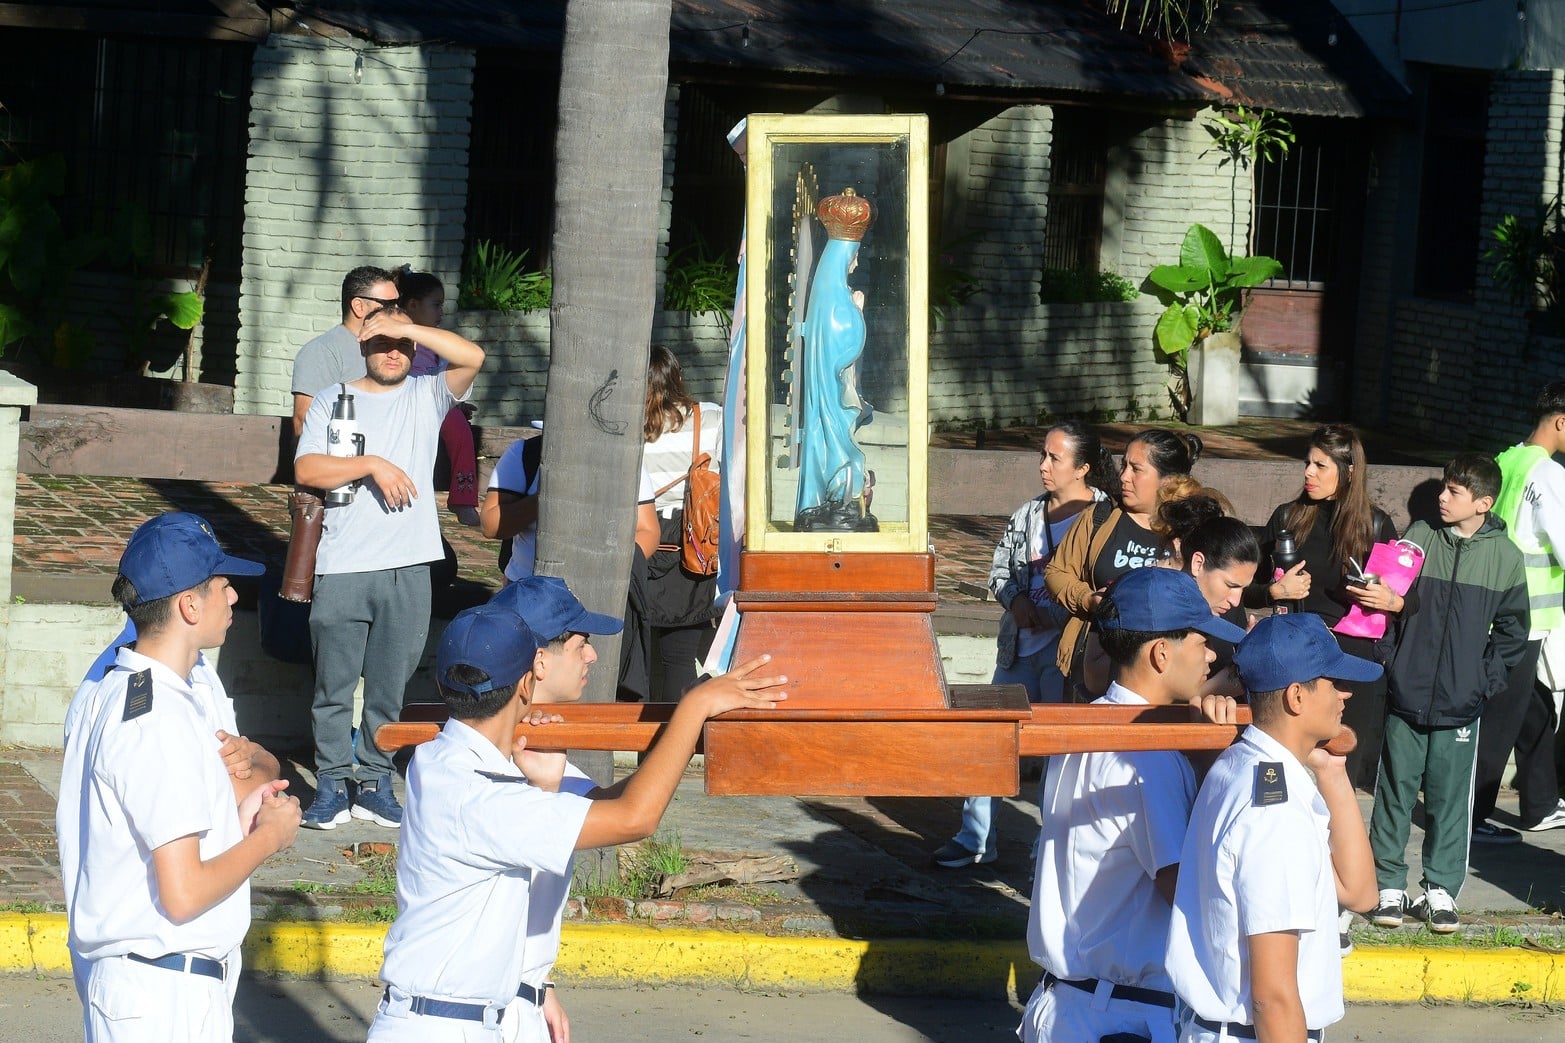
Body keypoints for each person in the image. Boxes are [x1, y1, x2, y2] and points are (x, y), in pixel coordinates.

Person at [368, 599, 786, 1042]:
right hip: (444, 1028)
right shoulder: (483, 794)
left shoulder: (437, 758)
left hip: (452, 1019)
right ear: (529, 681)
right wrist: (694, 708)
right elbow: (634, 818)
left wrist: (545, 785)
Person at [56, 512, 302, 1041]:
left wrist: (241, 812)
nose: (233, 597)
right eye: (221, 586)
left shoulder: (160, 692)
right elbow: (184, 892)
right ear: (189, 605)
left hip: (164, 986)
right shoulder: (155, 718)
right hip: (161, 994)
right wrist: (268, 839)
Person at [1018, 566, 1245, 1043]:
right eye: (1202, 641)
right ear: (1162, 652)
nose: (1211, 655)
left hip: (1075, 1001)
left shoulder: (1093, 725)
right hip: (1120, 1015)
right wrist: (1216, 766)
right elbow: (1187, 890)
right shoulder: (1149, 757)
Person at [294, 304, 485, 830]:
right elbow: (307, 467)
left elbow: (473, 356)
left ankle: (376, 780)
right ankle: (332, 783)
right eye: (382, 342)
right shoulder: (334, 399)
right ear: (363, 346)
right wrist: (373, 465)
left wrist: (406, 326)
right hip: (342, 563)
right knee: (332, 685)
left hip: (408, 565)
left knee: (389, 686)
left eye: (402, 344)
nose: (393, 351)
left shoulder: (427, 395)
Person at [1165, 613, 1380, 1043]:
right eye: (1333, 682)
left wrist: (1332, 770)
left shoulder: (1250, 764)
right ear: (1296, 697)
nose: (1346, 694)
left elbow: (1359, 894)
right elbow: (1273, 996)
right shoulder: (1274, 810)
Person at [931, 420, 1116, 869]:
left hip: (1067, 656)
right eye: (1043, 455)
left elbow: (1104, 590)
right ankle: (975, 836)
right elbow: (998, 570)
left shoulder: (1105, 521)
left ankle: (1047, 850)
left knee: (1058, 753)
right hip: (1018, 651)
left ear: (1083, 468)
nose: (1044, 466)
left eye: (1055, 458)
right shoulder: (1029, 514)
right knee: (993, 738)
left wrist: (1051, 613)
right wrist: (1015, 602)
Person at [1367, 454, 1529, 934]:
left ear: (1483, 502)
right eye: (1443, 487)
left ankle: (1439, 890)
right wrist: (1390, 661)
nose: (1443, 496)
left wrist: (1482, 681)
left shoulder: (1506, 557)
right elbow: (1386, 604)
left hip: (1461, 704)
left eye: (1454, 491)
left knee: (1449, 799)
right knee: (1395, 792)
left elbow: (1514, 633)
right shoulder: (1418, 538)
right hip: (1405, 692)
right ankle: (1389, 886)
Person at [1252, 424, 1397, 791]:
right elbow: (1243, 588)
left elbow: (1406, 602)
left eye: (1320, 465)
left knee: (1339, 776)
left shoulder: (1374, 525)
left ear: (1348, 472)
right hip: (1295, 657)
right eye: (1307, 463)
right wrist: (1275, 591)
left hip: (1351, 658)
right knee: (1285, 773)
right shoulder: (1288, 517)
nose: (1308, 473)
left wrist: (1391, 600)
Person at [1047, 428, 1203, 698]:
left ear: (1167, 480)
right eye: (1123, 465)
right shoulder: (1100, 518)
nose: (1123, 477)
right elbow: (1056, 572)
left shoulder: (1190, 529)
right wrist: (1087, 599)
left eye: (1136, 469)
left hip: (1164, 680)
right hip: (1093, 673)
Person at [1474, 382, 1565, 842]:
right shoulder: (1549, 474)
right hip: (1526, 615)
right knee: (1503, 719)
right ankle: (1470, 818)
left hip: (1499, 605)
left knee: (1534, 708)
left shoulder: (1508, 459)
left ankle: (1541, 802)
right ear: (1561, 422)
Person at [642, 345, 723, 700]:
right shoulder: (710, 419)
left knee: (644, 652)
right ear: (677, 377)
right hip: (691, 543)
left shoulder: (629, 426)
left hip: (642, 538)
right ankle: (675, 739)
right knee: (679, 655)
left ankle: (649, 740)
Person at [794, 187, 876, 531]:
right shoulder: (835, 296)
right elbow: (846, 339)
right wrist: (858, 312)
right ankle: (838, 492)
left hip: (829, 386)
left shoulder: (831, 289)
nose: (855, 261)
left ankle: (838, 494)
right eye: (853, 254)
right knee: (839, 444)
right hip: (830, 393)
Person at [395, 267, 482, 527]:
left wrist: (454, 401)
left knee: (460, 429)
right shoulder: (396, 335)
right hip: (405, 399)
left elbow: (447, 374)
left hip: (435, 402)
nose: (441, 313)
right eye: (436, 305)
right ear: (412, 305)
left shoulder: (438, 341)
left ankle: (463, 498)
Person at [1161, 496, 1261, 700]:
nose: (1236, 599)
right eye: (1230, 585)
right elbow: (1163, 699)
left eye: (1243, 588)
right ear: (1198, 563)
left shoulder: (1226, 605)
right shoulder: (1158, 606)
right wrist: (1235, 675)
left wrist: (1246, 650)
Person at [291, 265, 399, 438]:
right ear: (358, 306)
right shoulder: (322, 351)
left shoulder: (393, 350)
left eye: (397, 303)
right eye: (388, 304)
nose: (396, 311)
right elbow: (303, 422)